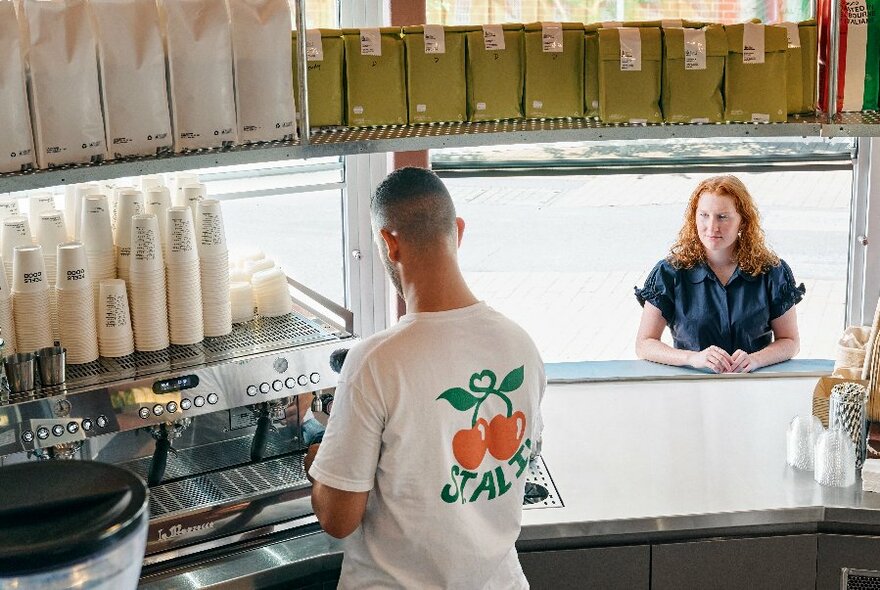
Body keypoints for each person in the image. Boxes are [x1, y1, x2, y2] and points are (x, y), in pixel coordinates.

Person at [305, 167, 545, 589]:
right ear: (458, 231)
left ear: (389, 243)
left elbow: (338, 520)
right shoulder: (520, 345)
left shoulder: (375, 362)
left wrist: (321, 469)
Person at [634, 175, 805, 373]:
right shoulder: (669, 272)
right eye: (704, 215)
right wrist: (692, 358)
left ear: (743, 221)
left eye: (722, 216)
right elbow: (644, 344)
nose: (712, 227)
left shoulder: (772, 271)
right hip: (691, 389)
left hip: (752, 385)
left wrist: (755, 360)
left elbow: (790, 341)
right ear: (694, 217)